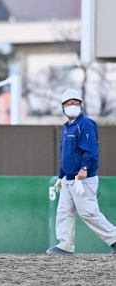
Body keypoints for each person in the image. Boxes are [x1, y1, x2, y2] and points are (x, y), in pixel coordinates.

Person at [47, 89, 116, 255]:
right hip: (69, 179)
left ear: (81, 105)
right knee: (64, 212)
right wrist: (61, 176)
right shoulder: (67, 128)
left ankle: (114, 238)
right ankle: (65, 245)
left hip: (83, 178)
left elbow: (90, 149)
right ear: (63, 107)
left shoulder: (86, 124)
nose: (73, 106)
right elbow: (66, 154)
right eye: (69, 103)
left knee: (89, 213)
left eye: (76, 102)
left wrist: (85, 168)